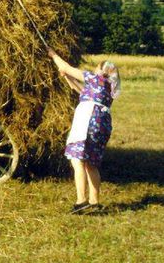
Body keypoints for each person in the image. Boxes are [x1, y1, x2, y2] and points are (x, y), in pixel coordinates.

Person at [48, 49, 121, 214]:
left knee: (77, 160)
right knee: (91, 164)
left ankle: (81, 201)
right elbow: (81, 91)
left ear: (102, 71)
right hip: (101, 124)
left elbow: (66, 67)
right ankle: (94, 202)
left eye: (97, 67)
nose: (95, 69)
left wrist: (53, 55)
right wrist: (67, 77)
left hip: (88, 121)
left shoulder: (95, 78)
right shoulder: (108, 86)